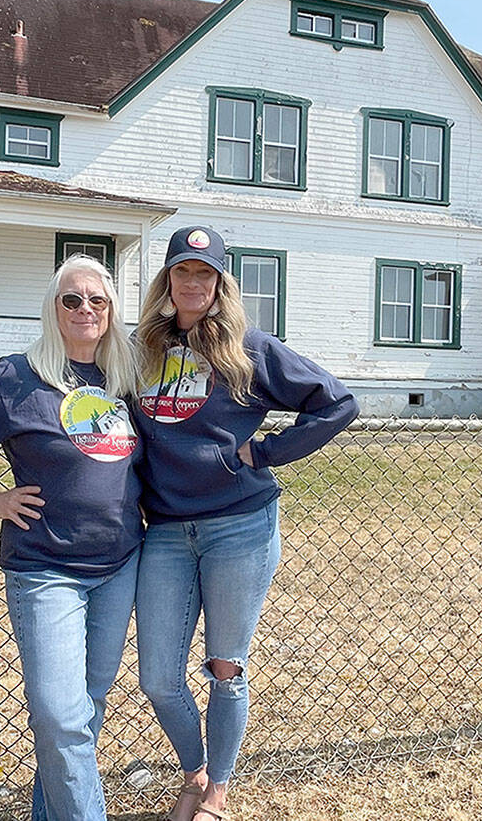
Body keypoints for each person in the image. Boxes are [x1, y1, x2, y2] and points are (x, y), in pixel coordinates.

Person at [132, 226, 359, 821]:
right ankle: (193, 769)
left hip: (239, 525)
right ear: (168, 279)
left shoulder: (250, 347)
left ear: (220, 282)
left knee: (225, 666)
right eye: (183, 271)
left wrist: (265, 451)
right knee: (158, 677)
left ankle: (216, 792)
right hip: (165, 531)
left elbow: (336, 403)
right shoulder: (142, 348)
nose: (192, 283)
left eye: (204, 274)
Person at [0, 254, 142, 821]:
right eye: (71, 299)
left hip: (119, 564)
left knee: (82, 711)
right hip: (46, 569)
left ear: (112, 311)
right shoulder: (16, 378)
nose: (85, 309)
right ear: (52, 308)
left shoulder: (125, 377)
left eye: (97, 300)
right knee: (60, 717)